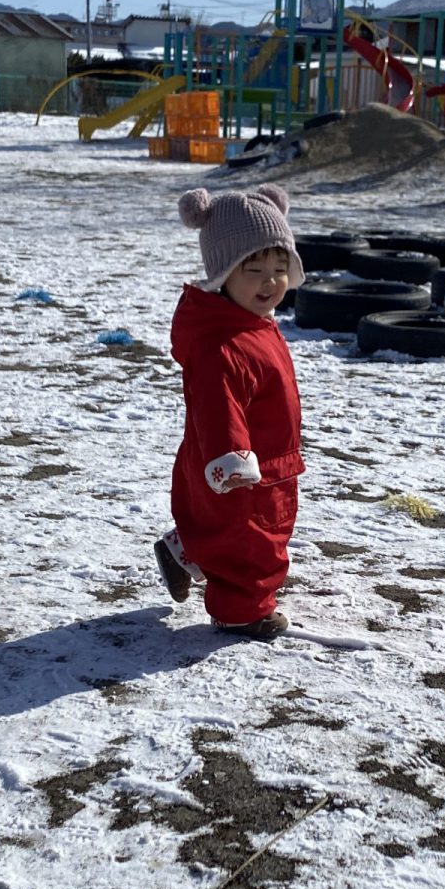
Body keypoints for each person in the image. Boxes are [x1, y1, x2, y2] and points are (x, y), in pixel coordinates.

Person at [154, 184, 305, 640]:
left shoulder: (252, 324)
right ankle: (241, 611)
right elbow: (217, 407)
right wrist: (231, 459)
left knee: (222, 527)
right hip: (242, 469)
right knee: (253, 543)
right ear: (223, 274)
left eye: (280, 269)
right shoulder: (222, 344)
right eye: (254, 270)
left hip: (267, 458)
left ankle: (183, 550)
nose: (270, 282)